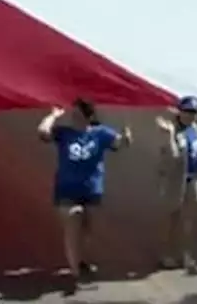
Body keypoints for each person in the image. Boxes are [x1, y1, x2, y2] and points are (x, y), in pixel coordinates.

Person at [37, 99, 131, 289]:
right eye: (74, 115)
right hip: (66, 189)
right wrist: (53, 116)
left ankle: (83, 261)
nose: (75, 118)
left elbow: (119, 143)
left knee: (88, 229)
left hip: (91, 189)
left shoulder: (101, 133)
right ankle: (76, 270)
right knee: (74, 219)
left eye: (79, 115)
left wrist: (127, 137)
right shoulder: (64, 133)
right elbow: (42, 133)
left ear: (89, 117)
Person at [156, 95, 197, 271]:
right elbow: (171, 157)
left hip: (194, 175)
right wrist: (170, 136)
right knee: (172, 216)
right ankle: (166, 253)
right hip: (174, 178)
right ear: (180, 112)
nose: (190, 115)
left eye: (194, 112)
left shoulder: (194, 128)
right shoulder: (170, 130)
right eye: (187, 111)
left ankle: (188, 252)